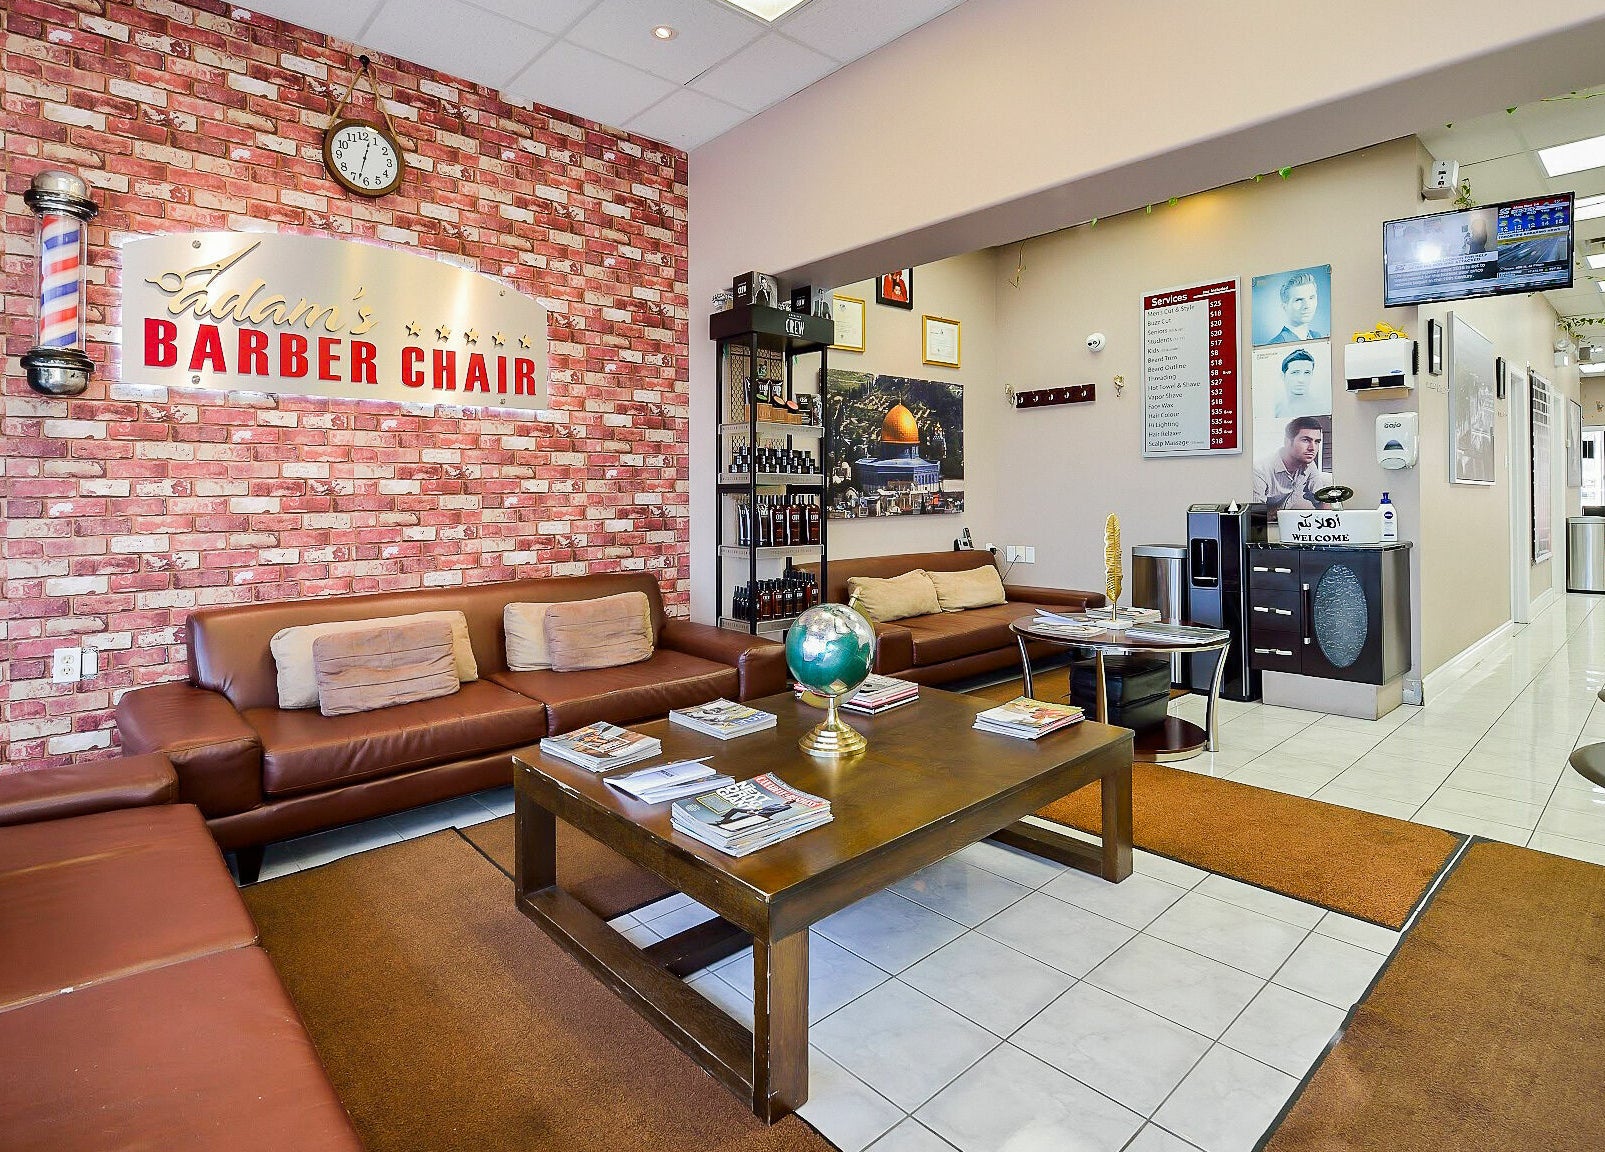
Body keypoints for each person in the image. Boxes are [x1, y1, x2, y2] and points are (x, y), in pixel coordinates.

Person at [1252, 416, 1333, 510]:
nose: (1312, 448)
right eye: (1306, 440)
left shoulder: (1309, 465)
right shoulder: (1260, 470)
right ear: (1287, 442)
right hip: (1265, 523)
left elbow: (1321, 499)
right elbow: (1255, 517)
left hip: (1284, 519)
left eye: (1317, 442)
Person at [1272, 347, 1328, 418]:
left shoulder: (1322, 409)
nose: (1301, 379)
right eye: (1295, 372)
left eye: (1307, 372)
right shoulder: (1276, 410)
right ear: (1283, 376)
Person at [1270, 271, 1322, 343]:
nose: (1307, 306)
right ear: (1284, 307)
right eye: (1299, 300)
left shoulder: (1316, 336)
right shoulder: (1276, 342)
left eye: (1311, 298)